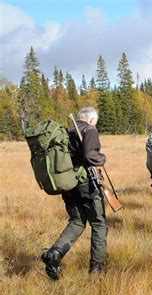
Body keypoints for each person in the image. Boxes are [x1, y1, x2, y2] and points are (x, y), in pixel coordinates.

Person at [41, 107, 107, 280]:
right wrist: (103, 158)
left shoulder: (65, 131)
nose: (95, 124)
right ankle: (97, 270)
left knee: (77, 221)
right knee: (99, 224)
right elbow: (90, 155)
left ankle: (54, 253)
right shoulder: (90, 129)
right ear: (91, 120)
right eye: (96, 122)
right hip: (85, 185)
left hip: (68, 184)